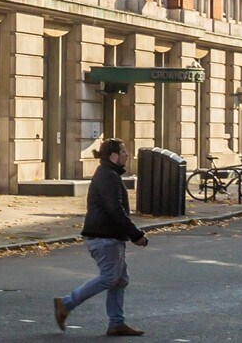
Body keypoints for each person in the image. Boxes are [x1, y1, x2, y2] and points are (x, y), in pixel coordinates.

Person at [55, 138, 149, 337]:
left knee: (119, 280)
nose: (127, 155)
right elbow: (115, 209)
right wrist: (135, 234)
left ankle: (116, 323)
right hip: (104, 236)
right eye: (123, 151)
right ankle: (66, 303)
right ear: (113, 156)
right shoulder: (108, 176)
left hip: (108, 235)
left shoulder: (109, 173)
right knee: (110, 277)